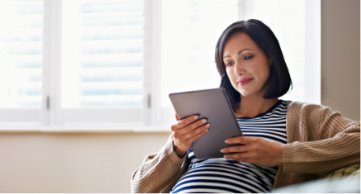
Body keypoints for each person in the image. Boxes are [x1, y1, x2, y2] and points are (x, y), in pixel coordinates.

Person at [131, 19, 361, 193]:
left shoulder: (305, 115)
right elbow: (140, 187)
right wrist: (177, 148)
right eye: (229, 62)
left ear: (271, 57)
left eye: (247, 57)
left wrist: (282, 154)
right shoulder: (207, 114)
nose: (237, 70)